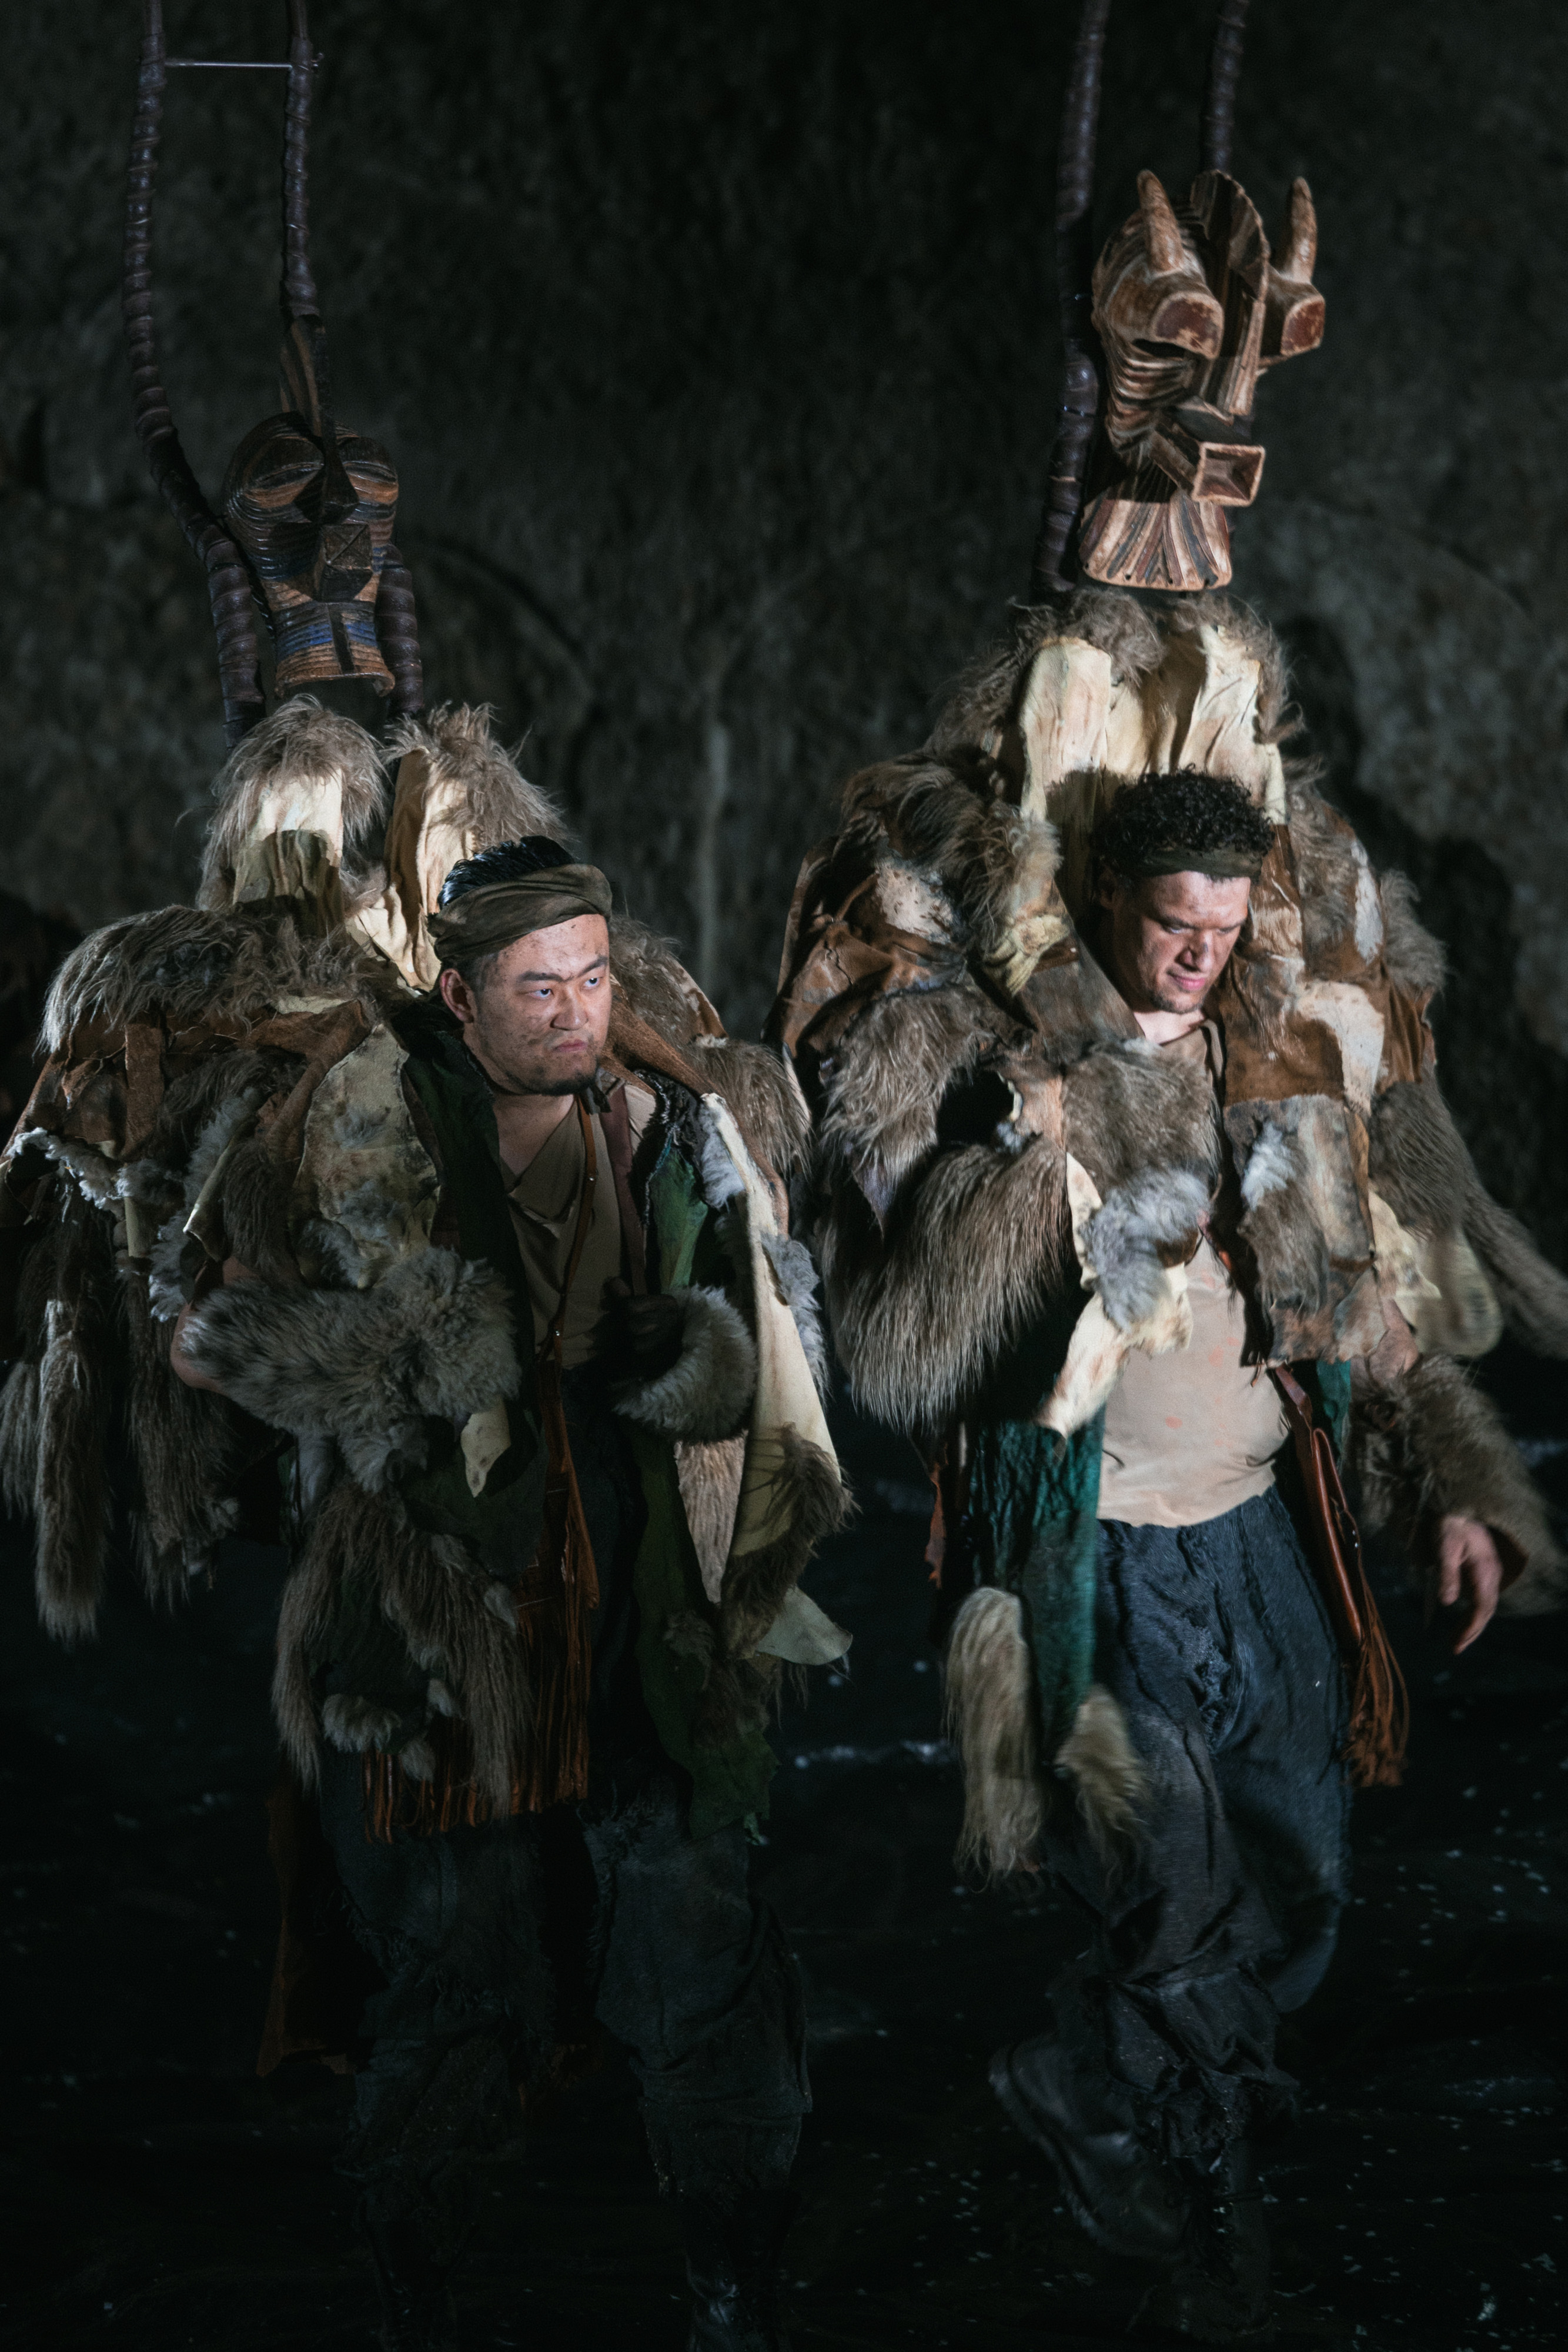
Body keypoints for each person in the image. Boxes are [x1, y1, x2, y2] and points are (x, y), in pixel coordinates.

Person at [771, 591, 1567, 2343]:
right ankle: (1104, 2104)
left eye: (1221, 927)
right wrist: (1023, 1169)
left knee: (1299, 1883)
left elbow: (1361, 1305)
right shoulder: (1015, 1071)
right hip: (1099, 1551)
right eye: (1167, 925)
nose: (1195, 956)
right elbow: (906, 1354)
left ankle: (1169, 2132)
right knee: (1179, 1890)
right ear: (1111, 909)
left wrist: (1449, 1486)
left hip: (1262, 1543)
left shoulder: (1271, 1072)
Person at [2, 703, 845, 2352]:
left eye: (596, 980)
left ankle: (731, 2284)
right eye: (543, 989)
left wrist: (727, 1446)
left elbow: (759, 1332)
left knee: (698, 1947)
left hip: (638, 1593)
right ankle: (424, 2295)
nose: (579, 1013)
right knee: (453, 1972)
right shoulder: (348, 1132)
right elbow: (214, 1330)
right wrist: (324, 1359)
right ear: (460, 997)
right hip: (437, 1599)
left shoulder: (661, 1127)